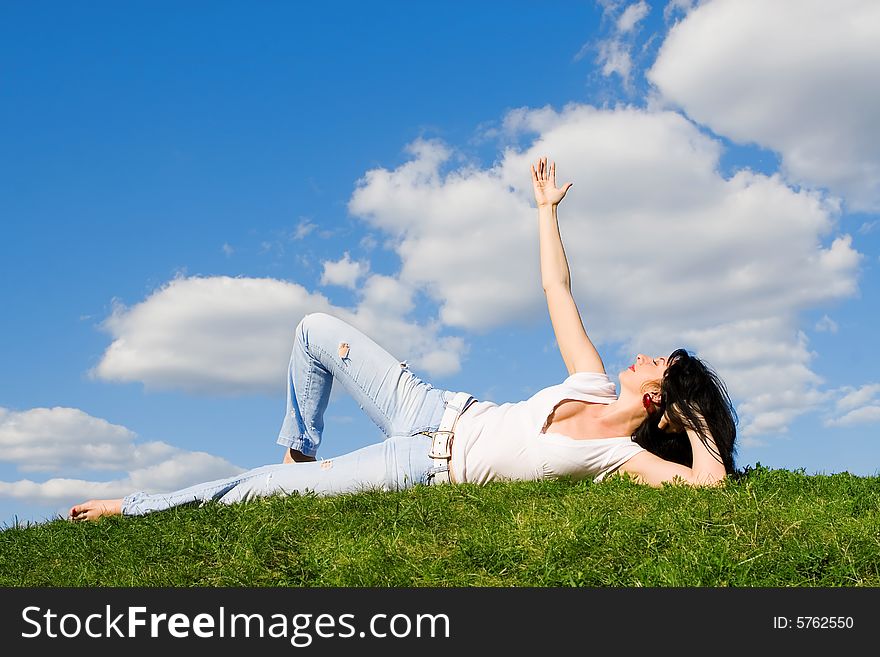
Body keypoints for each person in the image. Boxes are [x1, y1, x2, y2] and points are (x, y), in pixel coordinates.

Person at [68, 157, 737, 522]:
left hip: (421, 468)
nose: (649, 354)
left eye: (664, 364)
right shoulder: (589, 377)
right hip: (431, 406)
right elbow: (557, 291)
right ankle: (301, 462)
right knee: (313, 331)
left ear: (662, 402)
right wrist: (544, 214)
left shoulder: (622, 458)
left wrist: (699, 419)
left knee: (255, 490)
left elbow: (709, 485)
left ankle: (129, 506)